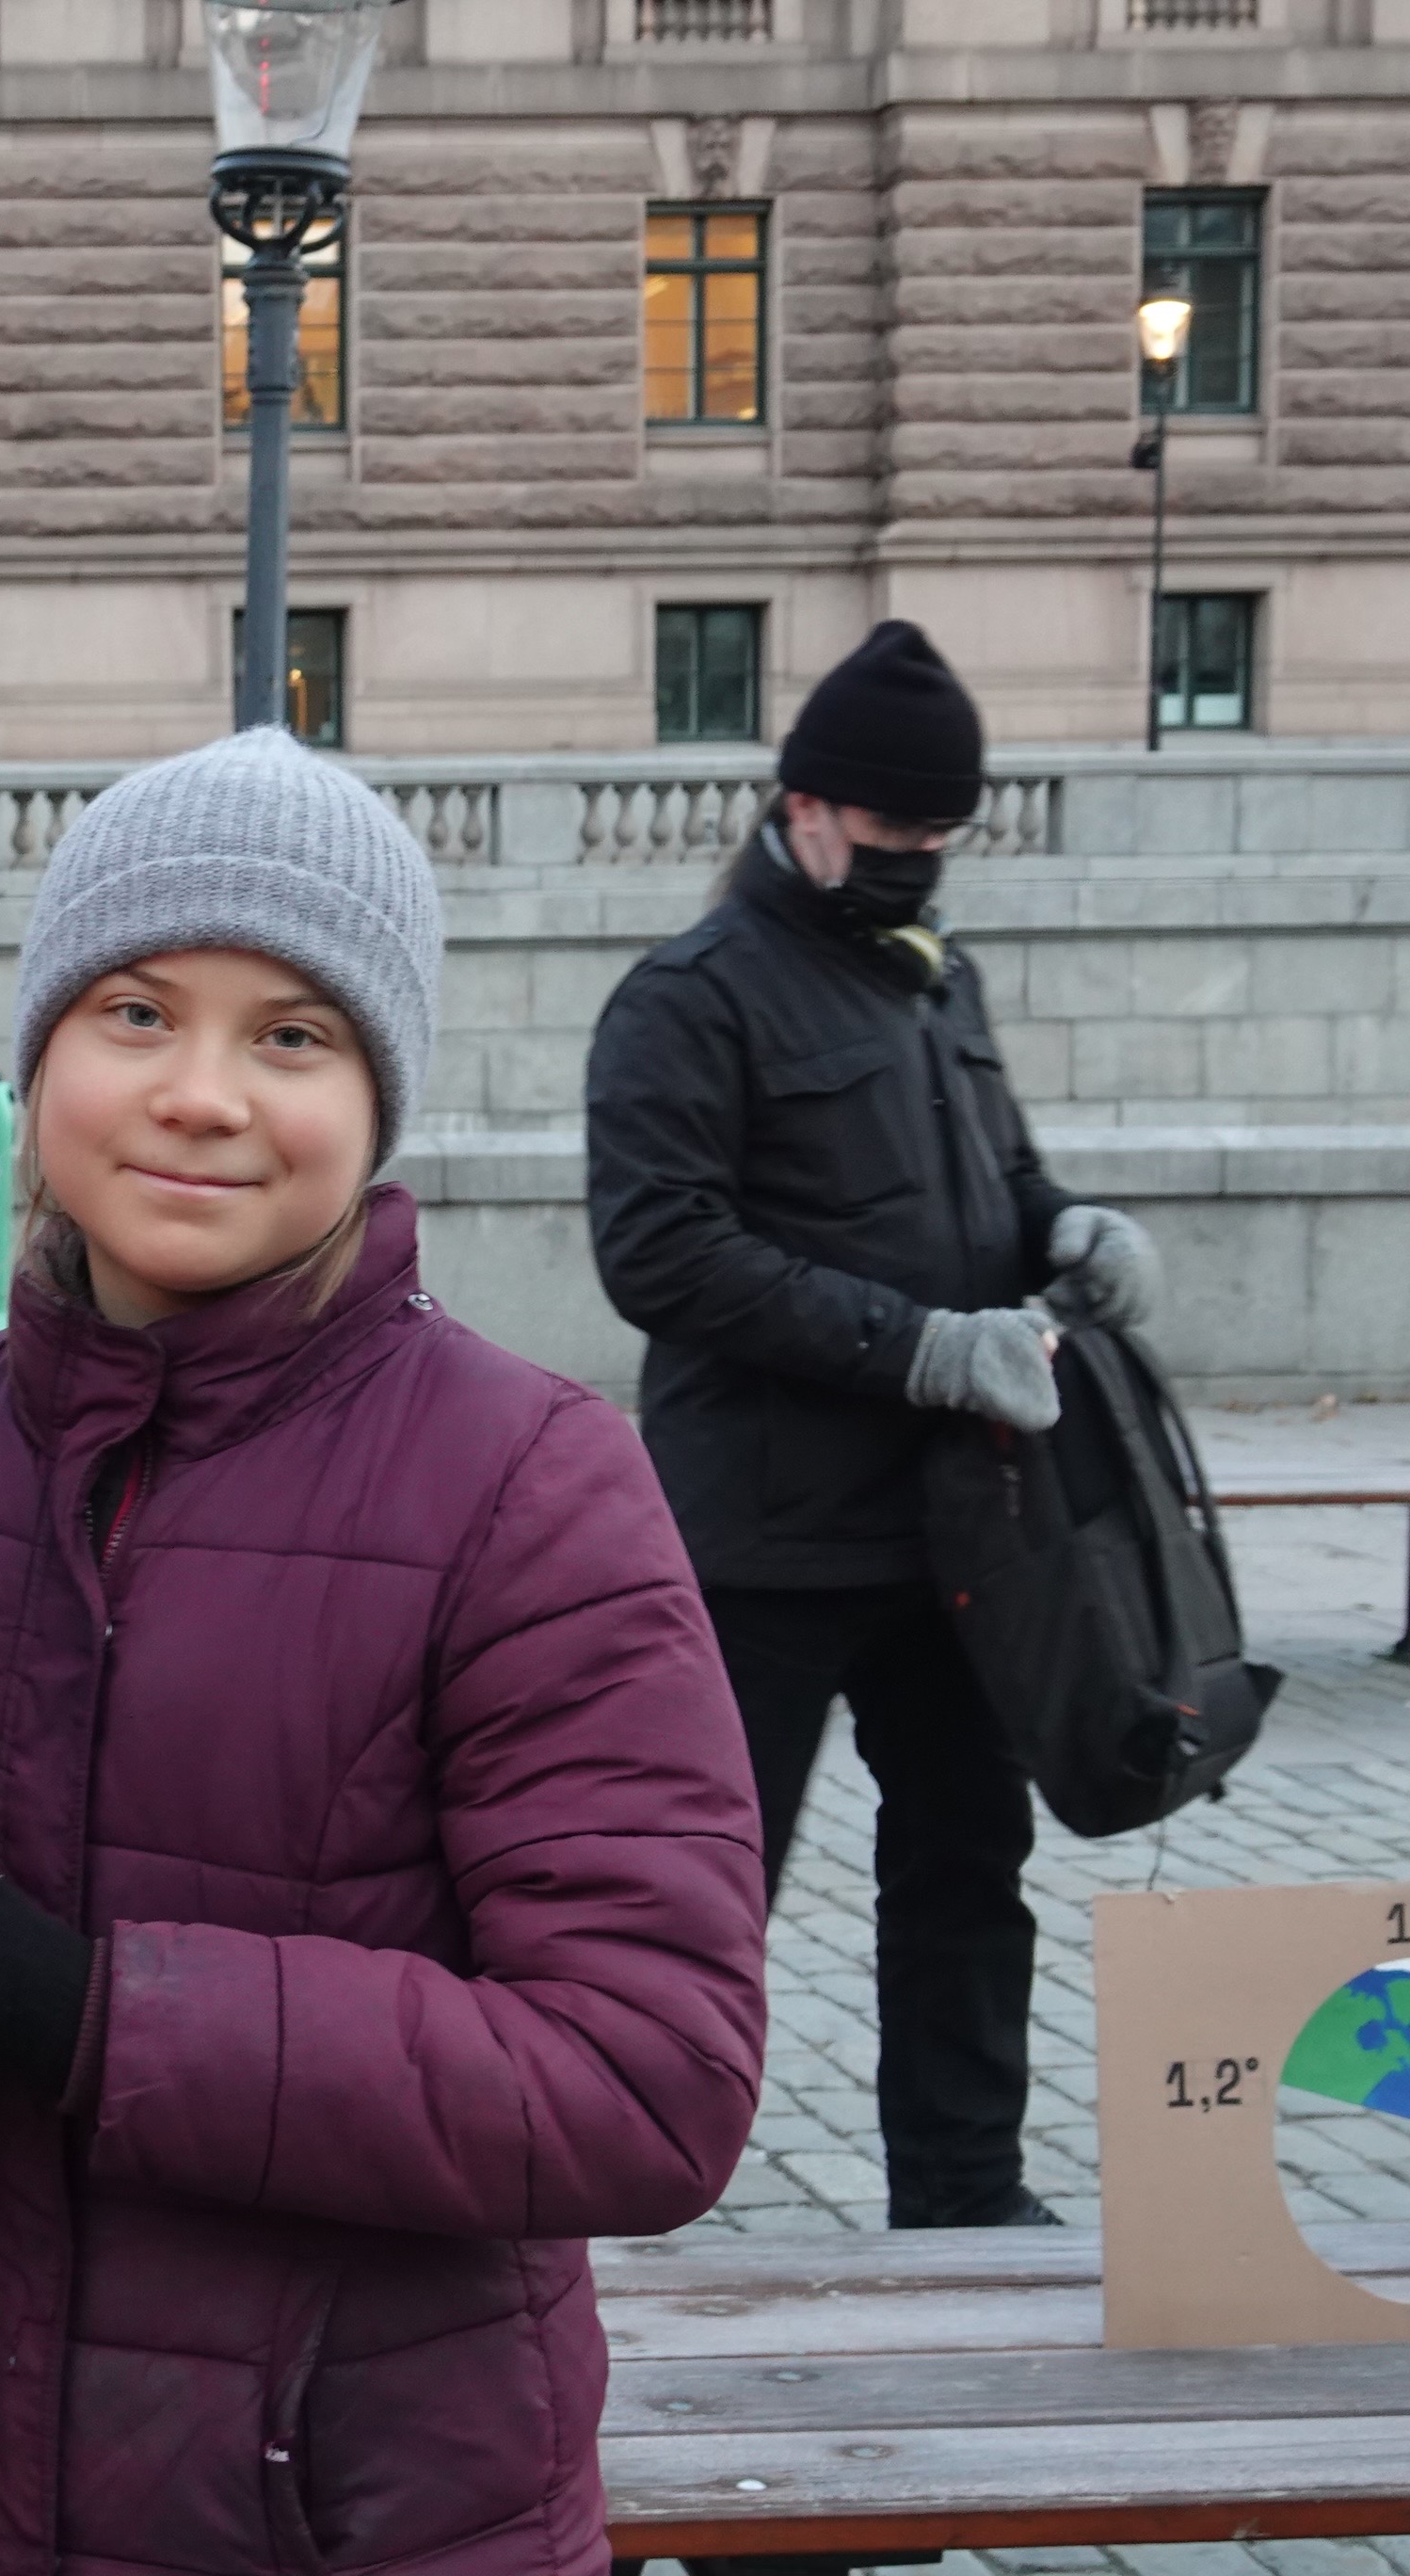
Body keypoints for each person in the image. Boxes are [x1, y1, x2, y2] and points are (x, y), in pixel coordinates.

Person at [0, 730, 771, 2576]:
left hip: (369, 2520)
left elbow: (650, 2078)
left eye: (291, 1035)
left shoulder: (531, 1482)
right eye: (135, 1011)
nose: (200, 1094)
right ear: (38, 1057)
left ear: (376, 1091)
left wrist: (118, 2015)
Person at [583, 619, 1164, 2229]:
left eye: (941, 836)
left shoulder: (937, 981)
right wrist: (918, 1348)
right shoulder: (690, 998)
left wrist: (1067, 1233)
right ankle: (616, 2192)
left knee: (971, 1866)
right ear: (808, 806)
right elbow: (660, 1252)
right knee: (705, 1898)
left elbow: (1002, 1180)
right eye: (897, 831)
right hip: (762, 1542)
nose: (920, 860)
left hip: (961, 1531)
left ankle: (966, 2195)